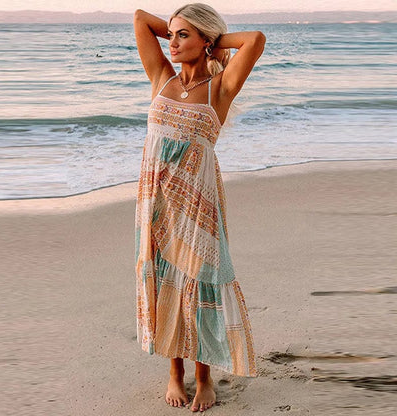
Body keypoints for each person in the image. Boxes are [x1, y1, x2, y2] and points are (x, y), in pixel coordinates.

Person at [134, 3, 266, 412]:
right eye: (170, 34)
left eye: (182, 35)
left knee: (200, 281)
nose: (171, 43)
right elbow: (140, 18)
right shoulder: (161, 77)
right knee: (164, 279)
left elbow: (254, 40)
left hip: (198, 202)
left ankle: (204, 378)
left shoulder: (220, 88)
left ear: (205, 40)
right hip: (156, 200)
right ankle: (174, 374)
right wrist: (186, 30)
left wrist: (213, 41)